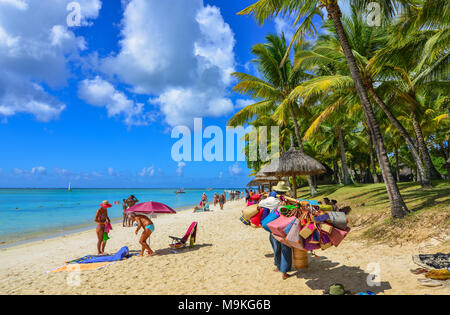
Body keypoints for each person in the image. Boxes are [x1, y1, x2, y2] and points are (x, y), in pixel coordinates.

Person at [268, 182, 293, 280]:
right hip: (284, 227)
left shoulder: (270, 200)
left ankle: (279, 267)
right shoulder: (288, 201)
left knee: (276, 248)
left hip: (273, 227)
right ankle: (284, 271)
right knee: (285, 249)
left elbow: (261, 204)